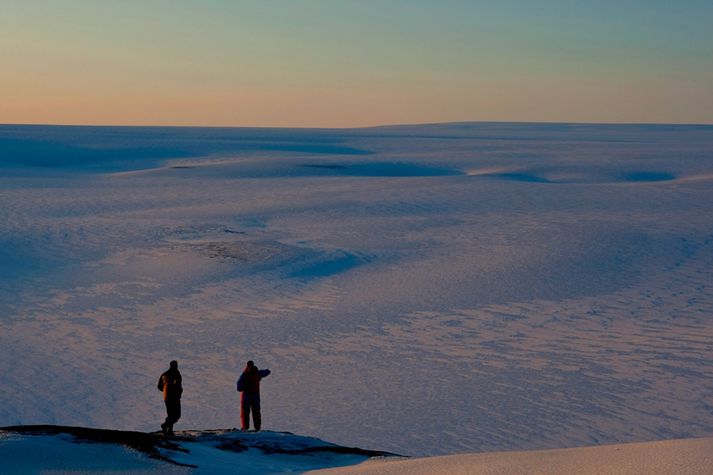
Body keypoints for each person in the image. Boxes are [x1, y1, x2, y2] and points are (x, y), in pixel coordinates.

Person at [236, 360, 270, 431]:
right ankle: (257, 428)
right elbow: (267, 372)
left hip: (246, 395)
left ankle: (245, 428)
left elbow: (239, 387)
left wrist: (243, 387)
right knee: (256, 412)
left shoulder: (244, 374)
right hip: (255, 395)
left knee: (245, 412)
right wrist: (267, 371)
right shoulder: (257, 373)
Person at [157, 360, 183, 436]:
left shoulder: (164, 374)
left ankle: (168, 429)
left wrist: (166, 391)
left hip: (166, 397)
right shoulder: (176, 374)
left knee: (170, 413)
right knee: (176, 415)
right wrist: (178, 392)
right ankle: (166, 426)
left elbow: (159, 386)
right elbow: (177, 384)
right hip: (174, 397)